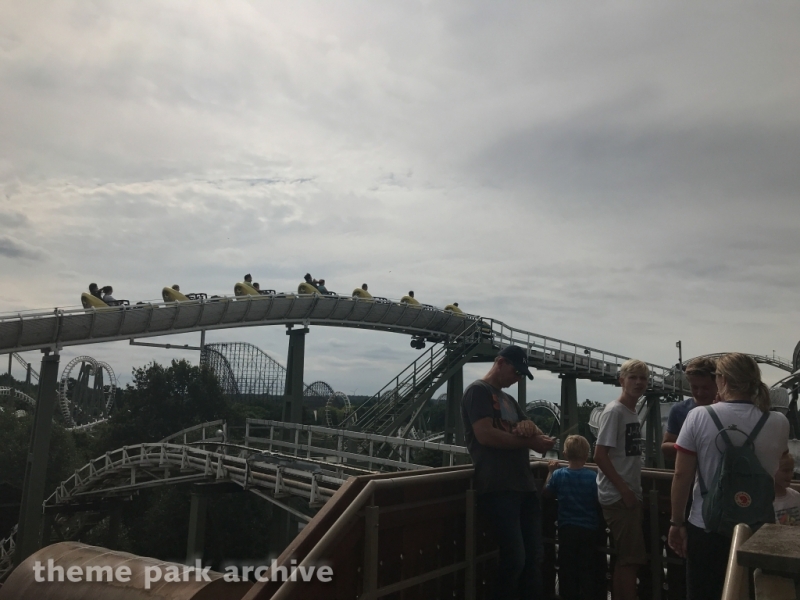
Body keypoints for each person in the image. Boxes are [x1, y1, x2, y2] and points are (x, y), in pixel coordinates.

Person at [668, 352, 790, 600]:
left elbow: (681, 475)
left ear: (721, 380)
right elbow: (780, 460)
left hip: (707, 525)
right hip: (758, 526)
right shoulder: (779, 421)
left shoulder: (699, 416)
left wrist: (676, 522)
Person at [461, 345, 556, 600]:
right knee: (515, 559)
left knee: (533, 558)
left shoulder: (510, 401)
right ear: (500, 362)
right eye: (517, 372)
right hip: (499, 487)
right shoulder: (477, 391)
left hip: (524, 486)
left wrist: (529, 427)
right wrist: (530, 440)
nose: (518, 378)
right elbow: (485, 435)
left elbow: (534, 431)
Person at [594, 358, 649, 600]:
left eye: (643, 378)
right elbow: (599, 455)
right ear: (621, 381)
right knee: (631, 560)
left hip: (627, 494)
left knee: (626, 560)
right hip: (619, 497)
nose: (638, 382)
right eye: (632, 377)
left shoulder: (631, 411)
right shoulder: (615, 411)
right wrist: (625, 491)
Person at [544, 435, 599, 600]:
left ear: (565, 454)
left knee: (567, 568)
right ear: (587, 455)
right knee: (587, 568)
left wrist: (550, 472)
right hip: (589, 529)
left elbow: (546, 493)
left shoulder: (558, 475)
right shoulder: (593, 477)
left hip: (566, 529)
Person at [662, 357, 718, 461]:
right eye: (694, 387)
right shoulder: (678, 410)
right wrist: (692, 445)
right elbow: (665, 446)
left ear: (717, 383)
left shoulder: (726, 409)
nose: (700, 393)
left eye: (705, 388)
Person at [773, 453, 799, 526]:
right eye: (786, 471)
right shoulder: (765, 501)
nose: (791, 475)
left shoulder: (796, 497)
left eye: (791, 470)